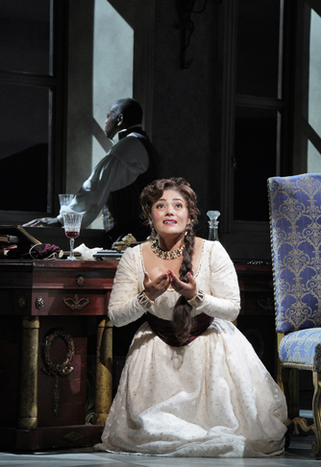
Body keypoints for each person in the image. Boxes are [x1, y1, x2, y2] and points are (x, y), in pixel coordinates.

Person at [95, 177, 288, 458]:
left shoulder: (212, 251)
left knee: (228, 431)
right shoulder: (133, 256)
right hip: (156, 355)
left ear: (190, 216)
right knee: (151, 431)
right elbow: (117, 315)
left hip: (211, 350)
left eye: (178, 205)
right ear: (150, 216)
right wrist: (145, 297)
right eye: (160, 206)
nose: (170, 211)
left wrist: (198, 297)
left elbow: (232, 308)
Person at [24, 98, 158, 246]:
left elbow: (95, 188)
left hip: (129, 240)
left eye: (108, 116)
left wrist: (61, 219)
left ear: (119, 119)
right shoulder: (143, 144)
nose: (105, 122)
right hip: (140, 238)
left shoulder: (128, 146)